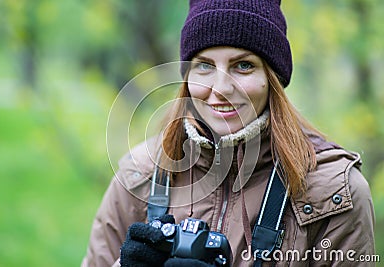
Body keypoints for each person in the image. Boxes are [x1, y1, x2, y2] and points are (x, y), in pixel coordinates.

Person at [81, 0, 375, 266]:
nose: (220, 89)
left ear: (272, 79)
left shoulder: (334, 192)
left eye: (243, 65)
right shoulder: (140, 175)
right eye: (204, 66)